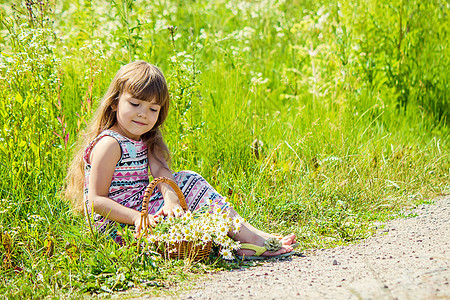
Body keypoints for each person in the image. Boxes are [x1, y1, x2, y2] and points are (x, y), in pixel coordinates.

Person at [65, 60, 297, 259]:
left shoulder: (145, 139)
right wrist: (138, 218)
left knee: (186, 180)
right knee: (191, 183)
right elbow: (94, 200)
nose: (143, 114)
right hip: (118, 224)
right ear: (115, 102)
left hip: (142, 210)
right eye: (134, 104)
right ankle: (248, 240)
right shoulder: (110, 143)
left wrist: (171, 201)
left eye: (152, 109)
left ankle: (253, 234)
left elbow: (162, 172)